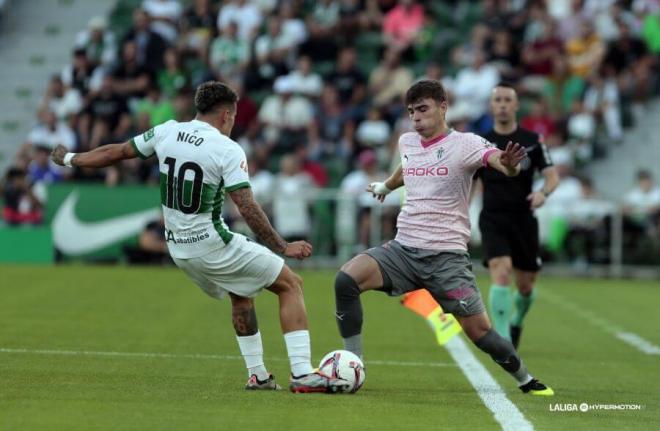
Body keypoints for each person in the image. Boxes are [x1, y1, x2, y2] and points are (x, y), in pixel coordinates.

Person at [51, 81, 347, 394]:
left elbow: (119, 151)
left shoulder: (167, 131)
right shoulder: (226, 148)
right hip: (210, 243)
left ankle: (258, 376)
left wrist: (71, 158)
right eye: (232, 118)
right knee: (290, 284)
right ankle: (302, 374)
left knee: (241, 292)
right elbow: (246, 205)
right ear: (226, 116)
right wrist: (282, 246)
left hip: (178, 249)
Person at [333, 79, 554, 396]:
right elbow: (406, 168)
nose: (416, 117)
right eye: (411, 111)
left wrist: (509, 166)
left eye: (422, 109)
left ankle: (525, 378)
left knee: (479, 332)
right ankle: (353, 365)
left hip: (446, 258)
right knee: (345, 280)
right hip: (403, 250)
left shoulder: (465, 143)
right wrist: (385, 186)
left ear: (442, 107)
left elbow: (496, 160)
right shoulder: (407, 142)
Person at [475, 83, 559, 348]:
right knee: (501, 271)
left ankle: (517, 320)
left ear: (515, 105)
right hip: (492, 217)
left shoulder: (533, 142)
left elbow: (552, 175)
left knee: (525, 286)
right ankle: (503, 340)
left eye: (506, 100)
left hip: (524, 218)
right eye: (497, 99)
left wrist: (544, 193)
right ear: (491, 106)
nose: (501, 104)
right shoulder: (480, 143)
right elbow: (468, 182)